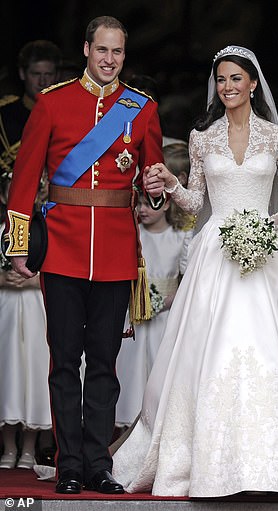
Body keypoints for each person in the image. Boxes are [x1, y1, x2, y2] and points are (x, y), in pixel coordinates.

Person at [111, 45, 278, 497]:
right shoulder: (203, 138)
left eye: (236, 78)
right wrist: (173, 184)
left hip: (265, 249)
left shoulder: (277, 137)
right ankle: (206, 463)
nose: (228, 87)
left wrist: (266, 227)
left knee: (274, 346)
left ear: (253, 84)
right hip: (216, 251)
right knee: (209, 347)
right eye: (221, 80)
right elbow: (198, 203)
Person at [4, 15, 164, 494]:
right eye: (102, 50)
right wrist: (17, 247)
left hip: (115, 252)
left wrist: (156, 193)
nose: (110, 60)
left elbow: (152, 183)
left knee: (104, 364)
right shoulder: (53, 104)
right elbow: (25, 180)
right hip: (63, 252)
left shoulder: (143, 109)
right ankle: (69, 463)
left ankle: (99, 464)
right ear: (86, 50)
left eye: (118, 52)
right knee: (63, 362)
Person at [115, 191, 192, 429]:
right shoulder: (133, 236)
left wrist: (167, 301)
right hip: (135, 315)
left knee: (160, 371)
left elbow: (189, 280)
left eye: (149, 204)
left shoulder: (180, 238)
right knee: (130, 371)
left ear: (167, 203)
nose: (143, 209)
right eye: (139, 204)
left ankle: (157, 427)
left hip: (166, 317)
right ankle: (126, 427)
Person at [0, 171, 52, 470]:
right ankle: (8, 446)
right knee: (9, 370)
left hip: (34, 307)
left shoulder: (44, 230)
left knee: (32, 369)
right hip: (7, 309)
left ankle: (30, 447)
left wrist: (33, 283)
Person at [0, 39, 62, 178]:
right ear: (22, 74)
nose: (42, 82)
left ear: (57, 76)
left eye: (48, 75)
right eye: (36, 74)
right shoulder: (4, 116)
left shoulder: (70, 116)